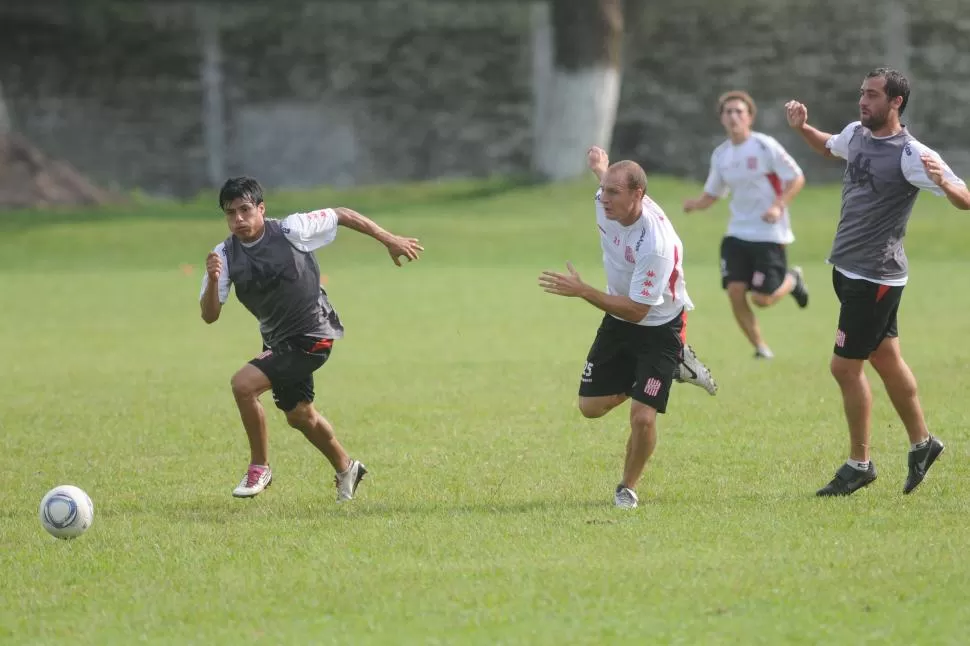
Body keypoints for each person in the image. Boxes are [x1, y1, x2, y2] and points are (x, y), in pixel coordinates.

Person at [785, 67, 970, 496]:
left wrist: (944, 182)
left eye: (872, 95)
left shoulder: (912, 154)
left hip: (875, 278)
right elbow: (829, 147)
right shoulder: (856, 134)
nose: (863, 102)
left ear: (896, 102)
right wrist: (803, 128)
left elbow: (964, 198)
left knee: (844, 367)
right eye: (862, 94)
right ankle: (923, 443)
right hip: (847, 271)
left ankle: (859, 463)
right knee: (886, 361)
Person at [199, 176, 423, 500]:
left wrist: (388, 239)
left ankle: (259, 467)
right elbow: (210, 315)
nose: (238, 219)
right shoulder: (223, 255)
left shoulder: (292, 229)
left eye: (245, 209)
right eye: (230, 213)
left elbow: (342, 213)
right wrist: (212, 278)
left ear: (261, 209)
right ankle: (347, 467)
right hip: (278, 341)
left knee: (243, 385)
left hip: (313, 332)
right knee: (299, 416)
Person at [539, 147, 718, 509]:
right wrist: (601, 170)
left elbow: (638, 311)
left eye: (613, 192)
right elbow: (606, 186)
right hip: (617, 318)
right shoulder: (607, 202)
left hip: (658, 326)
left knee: (642, 417)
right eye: (603, 190)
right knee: (589, 407)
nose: (604, 199)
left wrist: (583, 290)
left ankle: (627, 487)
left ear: (638, 195)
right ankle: (672, 370)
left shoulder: (655, 244)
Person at [683, 90, 810, 359]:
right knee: (735, 291)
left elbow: (796, 178)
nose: (733, 117)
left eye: (739, 111)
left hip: (768, 234)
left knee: (762, 299)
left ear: (750, 117)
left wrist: (778, 205)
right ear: (721, 119)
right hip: (737, 234)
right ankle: (760, 348)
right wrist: (695, 204)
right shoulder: (721, 155)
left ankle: (793, 279)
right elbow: (713, 193)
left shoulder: (765, 146)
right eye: (728, 112)